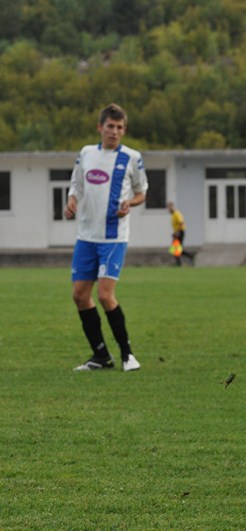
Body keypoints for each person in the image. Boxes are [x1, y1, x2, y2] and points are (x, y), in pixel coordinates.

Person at [64, 103, 147, 372]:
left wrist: (129, 203)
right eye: (110, 126)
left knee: (104, 296)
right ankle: (100, 356)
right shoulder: (86, 153)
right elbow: (76, 185)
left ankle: (127, 355)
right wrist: (72, 201)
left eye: (120, 127)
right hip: (86, 237)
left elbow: (141, 192)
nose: (115, 131)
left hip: (113, 238)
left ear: (124, 130)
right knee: (79, 295)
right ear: (100, 127)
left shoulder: (132, 157)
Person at [168, 201, 195, 266]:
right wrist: (174, 233)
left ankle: (181, 262)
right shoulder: (173, 215)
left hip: (180, 232)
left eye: (170, 207)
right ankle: (189, 257)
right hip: (177, 232)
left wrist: (177, 232)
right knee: (176, 249)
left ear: (172, 207)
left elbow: (181, 222)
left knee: (176, 249)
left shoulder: (177, 213)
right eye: (168, 208)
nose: (169, 209)